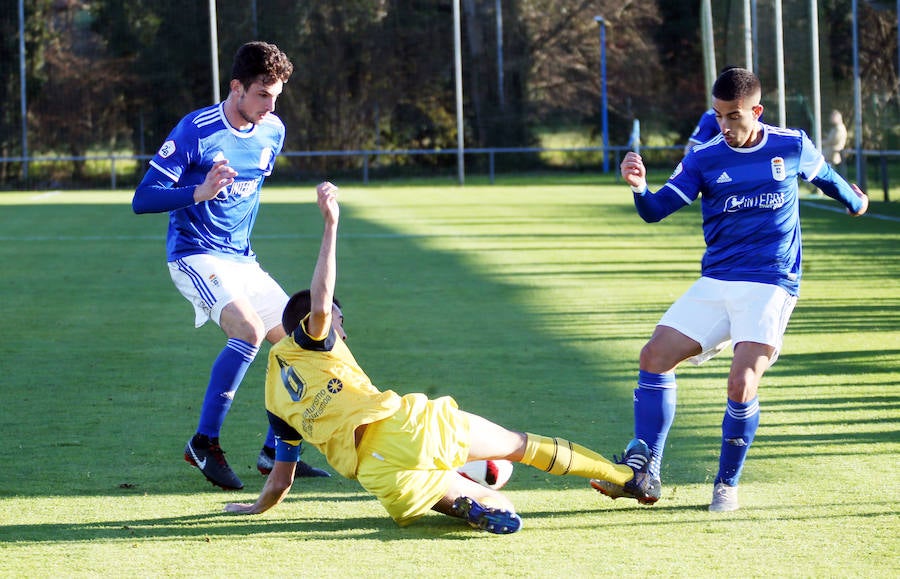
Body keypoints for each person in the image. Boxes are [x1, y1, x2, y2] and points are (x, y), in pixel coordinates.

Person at [223, 182, 661, 534]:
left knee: (498, 504)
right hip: (406, 426)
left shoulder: (275, 398)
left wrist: (255, 508)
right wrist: (331, 224)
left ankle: (470, 506)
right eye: (341, 321)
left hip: (377, 473)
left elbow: (281, 477)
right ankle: (627, 477)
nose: (343, 329)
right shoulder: (310, 338)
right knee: (519, 445)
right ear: (310, 324)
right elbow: (321, 304)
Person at [609, 67, 868, 512]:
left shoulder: (791, 145)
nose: (725, 125)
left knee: (741, 381)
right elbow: (656, 210)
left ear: (756, 111)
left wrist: (856, 201)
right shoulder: (704, 157)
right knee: (654, 356)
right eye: (718, 115)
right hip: (718, 280)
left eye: (734, 116)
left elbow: (826, 177)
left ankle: (725, 484)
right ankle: (646, 472)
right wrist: (640, 187)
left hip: (771, 282)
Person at [132, 41, 329, 491]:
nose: (270, 106)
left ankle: (275, 451)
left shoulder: (272, 130)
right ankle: (204, 443)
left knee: (302, 343)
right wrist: (198, 192)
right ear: (236, 87)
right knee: (249, 331)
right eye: (262, 94)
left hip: (241, 259)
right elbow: (142, 199)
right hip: (193, 254)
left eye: (276, 96)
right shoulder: (195, 131)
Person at [822, 109, 848, 174]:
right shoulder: (835, 128)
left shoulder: (839, 129)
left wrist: (820, 142)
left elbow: (832, 140)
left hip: (834, 155)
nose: (830, 118)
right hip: (830, 155)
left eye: (832, 116)